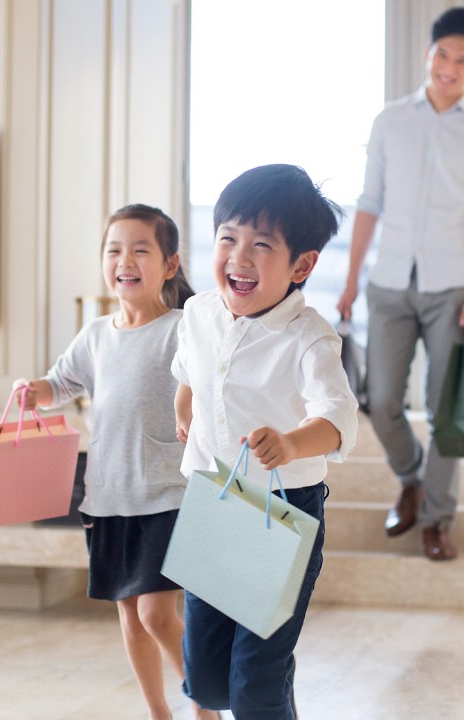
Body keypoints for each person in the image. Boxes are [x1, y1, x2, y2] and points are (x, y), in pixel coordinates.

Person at [14, 204, 217, 720]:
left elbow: (211, 388)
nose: (125, 260)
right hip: (107, 495)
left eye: (140, 250)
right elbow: (61, 383)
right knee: (130, 615)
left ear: (169, 265)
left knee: (155, 612)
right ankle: (158, 711)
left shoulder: (181, 328)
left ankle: (203, 700)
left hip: (168, 493)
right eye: (114, 250)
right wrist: (33, 390)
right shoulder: (96, 334)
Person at [173, 164, 358, 719]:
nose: (239, 257)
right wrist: (185, 412)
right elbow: (188, 372)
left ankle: (271, 679)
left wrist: (293, 443)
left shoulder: (310, 336)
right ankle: (274, 677)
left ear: (301, 265)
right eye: (228, 237)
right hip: (215, 500)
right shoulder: (199, 312)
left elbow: (339, 417)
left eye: (261, 245)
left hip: (281, 511)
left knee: (255, 680)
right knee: (207, 682)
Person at [336, 6, 464, 561]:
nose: (450, 66)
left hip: (453, 289)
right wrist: (349, 281)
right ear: (428, 55)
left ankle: (437, 519)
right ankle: (411, 477)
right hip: (388, 284)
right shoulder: (389, 121)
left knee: (445, 409)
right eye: (443, 54)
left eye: (463, 59)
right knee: (380, 399)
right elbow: (369, 205)